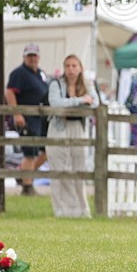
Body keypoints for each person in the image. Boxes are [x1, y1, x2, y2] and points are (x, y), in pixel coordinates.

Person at [46, 54, 96, 218]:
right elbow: (56, 103)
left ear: (80, 68)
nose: (71, 69)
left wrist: (81, 101)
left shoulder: (86, 84)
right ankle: (60, 211)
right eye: (67, 66)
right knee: (59, 170)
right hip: (58, 127)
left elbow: (95, 102)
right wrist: (80, 100)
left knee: (79, 169)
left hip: (77, 127)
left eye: (74, 66)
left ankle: (81, 211)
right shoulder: (56, 84)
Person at [5, 43, 50, 196]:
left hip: (41, 117)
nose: (32, 58)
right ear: (24, 57)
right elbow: (10, 93)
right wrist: (17, 113)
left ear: (39, 57)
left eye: (35, 55)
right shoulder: (19, 73)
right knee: (29, 152)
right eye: (29, 55)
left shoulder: (40, 73)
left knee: (47, 151)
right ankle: (27, 186)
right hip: (27, 117)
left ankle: (23, 175)